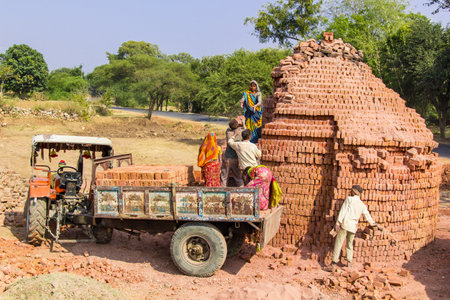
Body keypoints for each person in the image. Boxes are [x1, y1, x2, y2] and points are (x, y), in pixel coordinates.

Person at [332, 185, 378, 267]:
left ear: (354, 191)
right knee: (349, 244)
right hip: (353, 227)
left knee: (339, 243)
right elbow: (367, 216)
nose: (350, 192)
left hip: (345, 224)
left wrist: (338, 223)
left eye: (351, 190)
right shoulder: (362, 204)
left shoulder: (349, 199)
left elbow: (343, 211)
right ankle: (349, 263)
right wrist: (373, 224)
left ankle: (334, 262)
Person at [220, 118, 245, 187]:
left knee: (224, 177)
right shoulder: (240, 133)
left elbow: (230, 128)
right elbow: (245, 131)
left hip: (227, 158)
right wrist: (243, 123)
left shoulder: (228, 132)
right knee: (238, 177)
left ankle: (223, 191)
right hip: (236, 159)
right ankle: (241, 191)